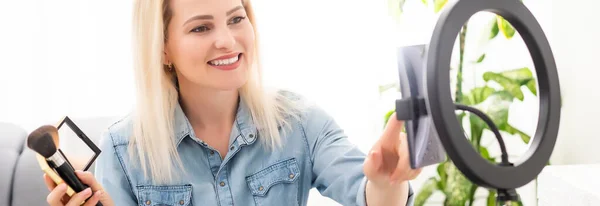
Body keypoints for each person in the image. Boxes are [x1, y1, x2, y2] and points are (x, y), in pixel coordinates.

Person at [43, 0, 422, 205]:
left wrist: (387, 181)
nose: (227, 40)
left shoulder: (300, 122)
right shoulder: (125, 149)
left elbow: (368, 196)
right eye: (201, 27)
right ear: (163, 49)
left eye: (236, 18)